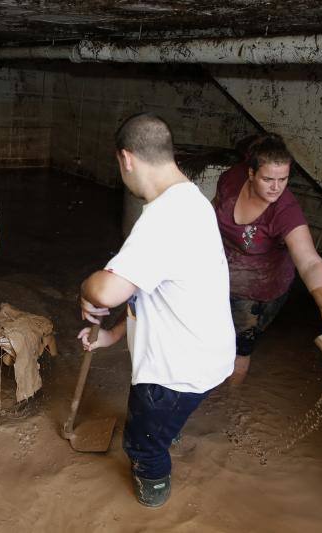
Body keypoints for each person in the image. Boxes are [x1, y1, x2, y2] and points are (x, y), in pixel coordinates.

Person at [78, 113, 235, 507]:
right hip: (206, 357)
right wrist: (113, 336)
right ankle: (166, 431)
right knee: (164, 421)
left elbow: (109, 292)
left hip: (174, 373)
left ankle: (153, 488)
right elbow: (154, 294)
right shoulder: (191, 200)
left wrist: (85, 288)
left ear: (126, 159)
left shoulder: (164, 219)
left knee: (141, 444)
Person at [213, 134, 322, 383]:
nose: (276, 187)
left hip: (259, 291)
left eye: (283, 179)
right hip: (221, 273)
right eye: (268, 179)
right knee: (209, 336)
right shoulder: (231, 179)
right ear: (251, 173)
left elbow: (310, 261)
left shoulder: (285, 211)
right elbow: (214, 211)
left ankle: (228, 404)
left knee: (238, 348)